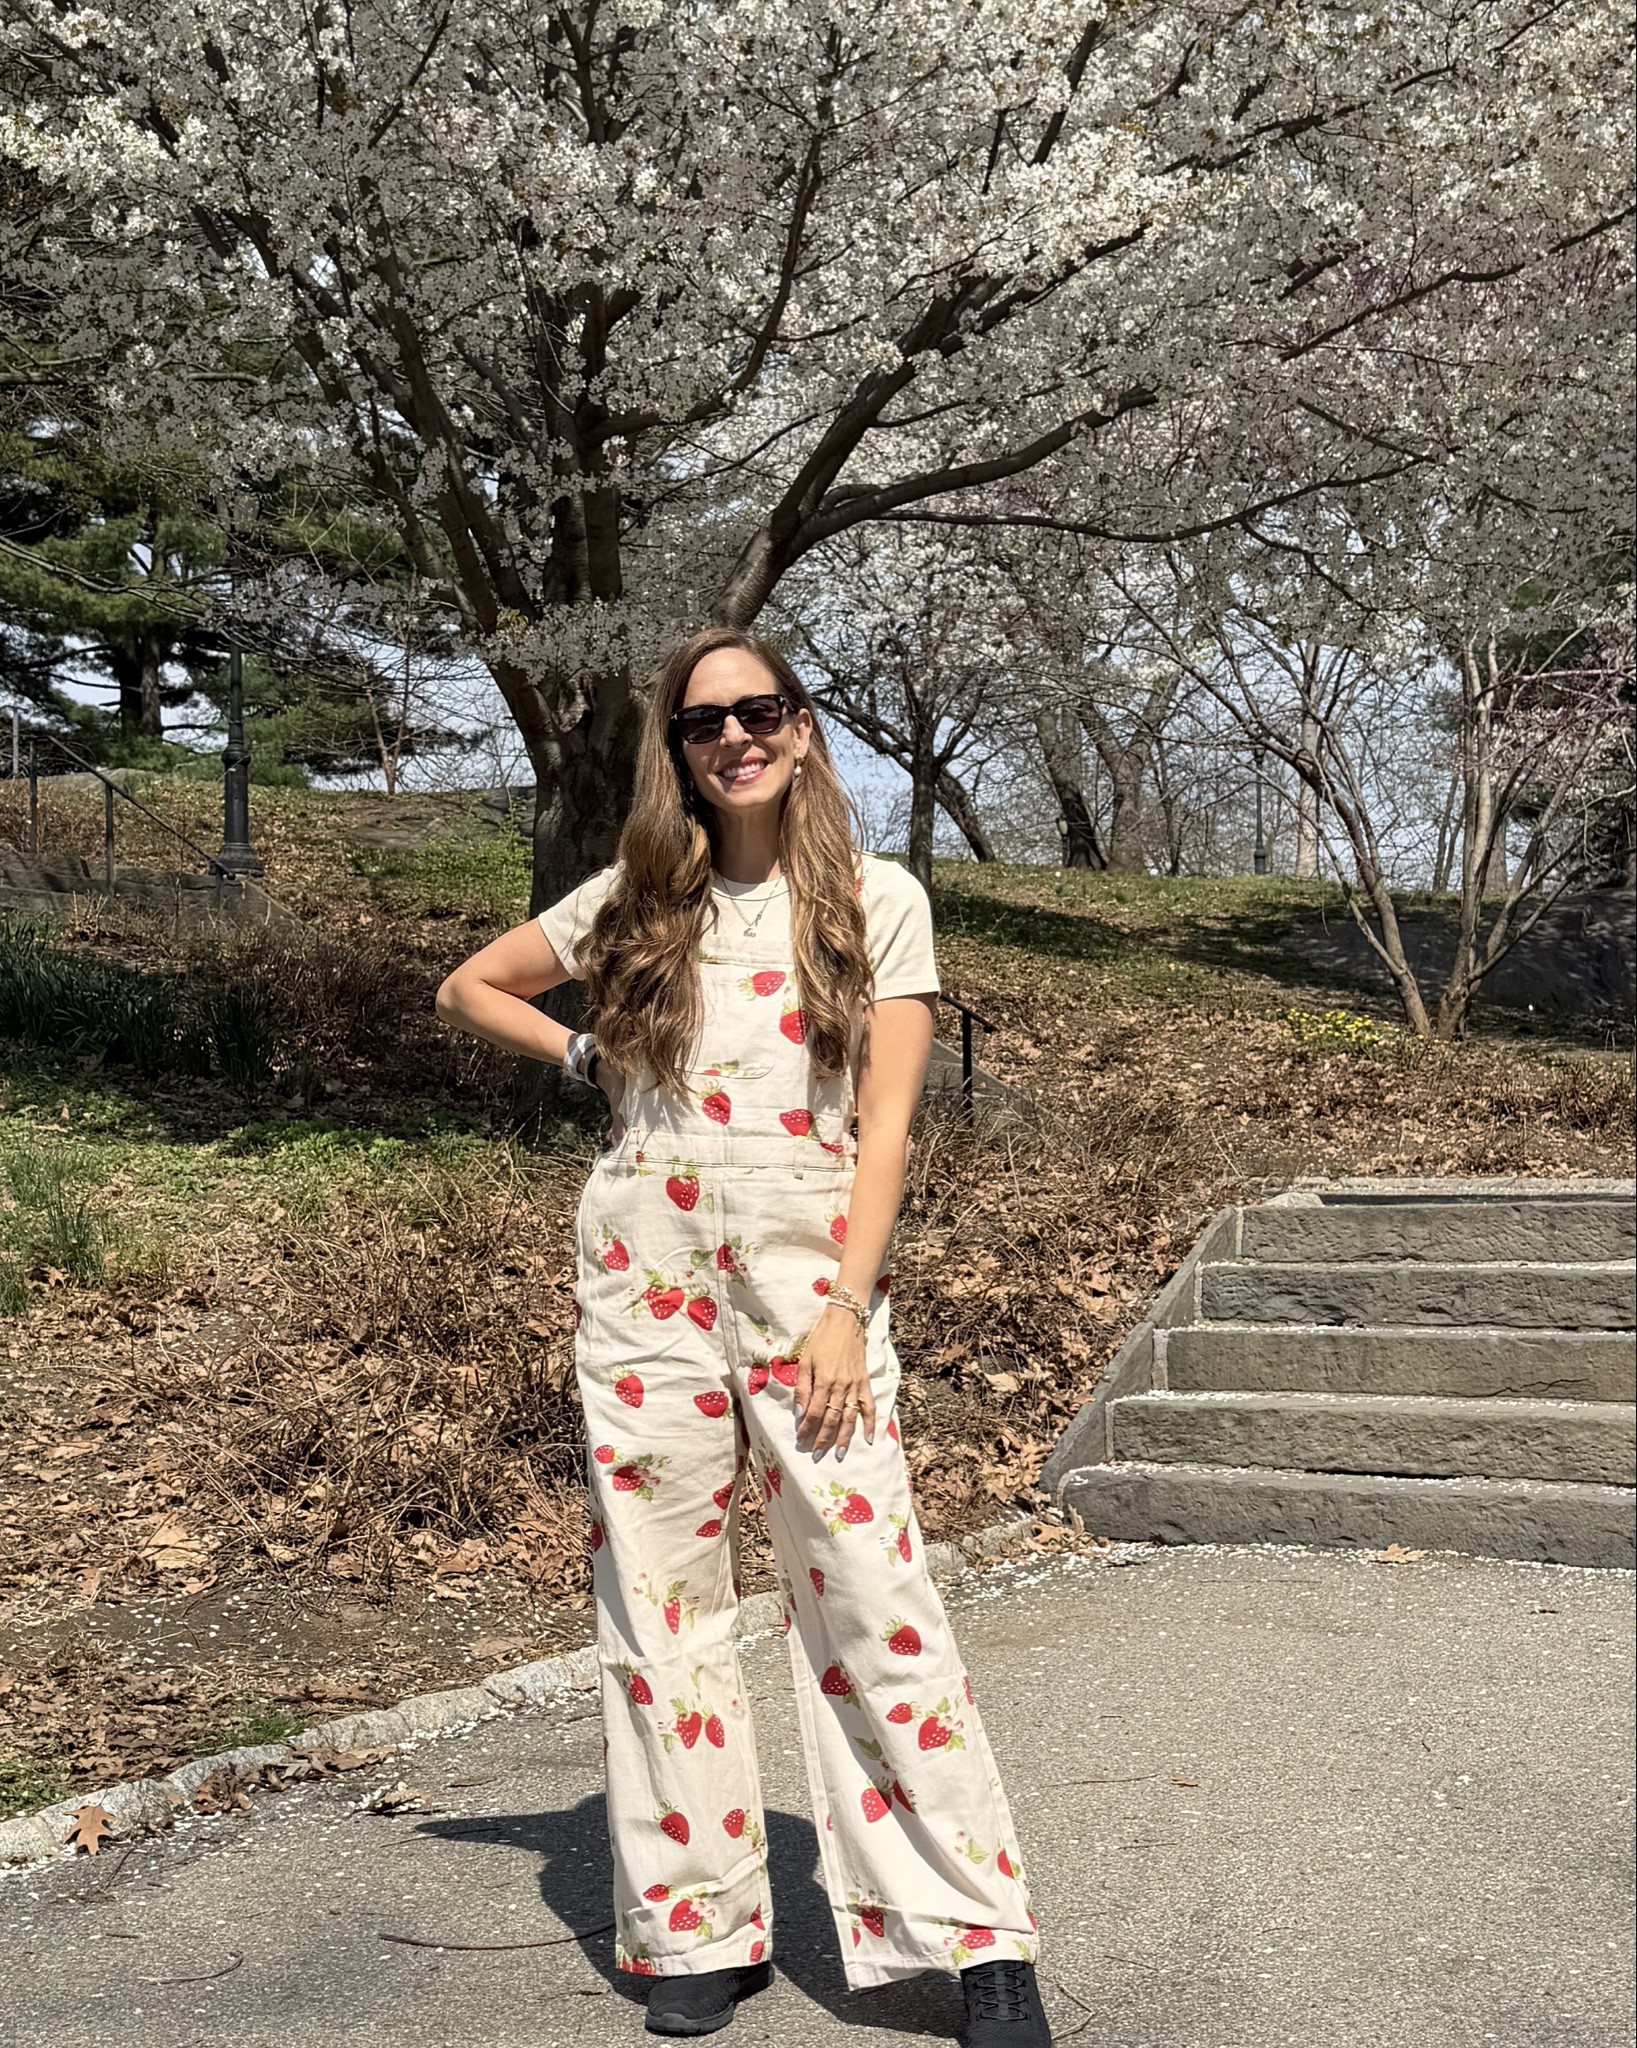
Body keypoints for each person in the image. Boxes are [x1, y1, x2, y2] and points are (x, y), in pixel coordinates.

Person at [435, 628, 1050, 2046]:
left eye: (757, 711)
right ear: (678, 751)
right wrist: (583, 1051)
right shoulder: (636, 901)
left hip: (806, 1282)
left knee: (873, 1597)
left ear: (801, 725)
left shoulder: (873, 900)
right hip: (640, 1276)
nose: (732, 737)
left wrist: (846, 1305)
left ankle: (973, 1933)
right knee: (658, 1605)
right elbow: (473, 985)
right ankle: (694, 1926)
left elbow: (887, 1125)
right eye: (703, 721)